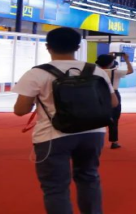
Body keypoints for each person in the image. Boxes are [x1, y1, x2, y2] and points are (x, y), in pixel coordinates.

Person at [13, 27, 118, 214]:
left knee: (55, 187)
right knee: (89, 178)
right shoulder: (96, 71)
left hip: (53, 135)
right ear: (77, 47)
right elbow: (113, 102)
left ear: (48, 47)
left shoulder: (36, 73)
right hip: (93, 133)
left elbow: (20, 110)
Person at [95, 52, 134, 149]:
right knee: (114, 119)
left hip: (97, 94)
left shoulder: (94, 71)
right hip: (113, 94)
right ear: (111, 62)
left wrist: (108, 57)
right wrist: (126, 59)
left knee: (96, 117)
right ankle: (114, 142)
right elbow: (130, 71)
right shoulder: (115, 72)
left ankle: (95, 141)